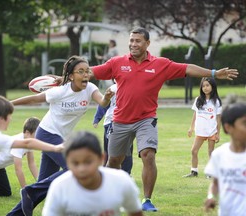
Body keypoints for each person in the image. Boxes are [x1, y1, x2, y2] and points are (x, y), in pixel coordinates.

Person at [90, 26, 239, 211]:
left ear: (147, 43)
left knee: (148, 155)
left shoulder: (160, 64)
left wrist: (214, 73)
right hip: (120, 120)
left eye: (137, 41)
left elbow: (187, 68)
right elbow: (92, 72)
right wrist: (69, 75)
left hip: (146, 119)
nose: (133, 44)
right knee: (113, 161)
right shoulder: (117, 62)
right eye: (131, 40)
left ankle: (146, 200)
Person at [7, 55, 113, 216]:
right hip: (46, 134)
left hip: (61, 138)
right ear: (71, 76)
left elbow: (103, 103)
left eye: (87, 71)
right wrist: (9, 103)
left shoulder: (90, 88)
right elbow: (35, 98)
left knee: (42, 187)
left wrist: (106, 97)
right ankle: (30, 191)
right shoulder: (60, 92)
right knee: (75, 167)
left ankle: (14, 213)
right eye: (80, 71)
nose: (85, 75)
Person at [0, 95, 63, 216]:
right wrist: (55, 147)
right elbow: (28, 142)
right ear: (0, 118)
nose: (11, 119)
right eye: (9, 116)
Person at [42, 131, 143, 216]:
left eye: (88, 162)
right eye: (75, 163)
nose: (81, 169)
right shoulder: (59, 187)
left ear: (101, 158)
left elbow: (135, 212)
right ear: (67, 162)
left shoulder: (121, 181)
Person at [204, 95, 246, 215]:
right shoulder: (219, 155)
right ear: (228, 127)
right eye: (244, 123)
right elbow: (215, 182)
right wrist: (211, 196)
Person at [0, 117, 40, 196]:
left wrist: (40, 182)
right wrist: (25, 190)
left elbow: (31, 163)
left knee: (5, 193)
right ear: (27, 132)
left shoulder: (30, 142)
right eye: (37, 134)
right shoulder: (18, 143)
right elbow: (18, 170)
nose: (39, 137)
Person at [183, 77, 222, 178]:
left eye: (207, 85)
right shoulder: (198, 100)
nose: (205, 88)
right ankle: (194, 171)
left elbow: (218, 118)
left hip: (211, 131)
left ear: (212, 87)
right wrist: (191, 128)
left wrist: (218, 133)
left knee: (211, 152)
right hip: (200, 130)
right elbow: (195, 114)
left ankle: (210, 172)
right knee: (194, 151)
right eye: (203, 86)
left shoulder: (216, 101)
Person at [93, 83, 133, 174]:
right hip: (110, 122)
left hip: (127, 123)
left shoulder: (132, 87)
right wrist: (97, 118)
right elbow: (104, 104)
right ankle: (107, 173)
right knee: (109, 150)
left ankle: (126, 173)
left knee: (127, 150)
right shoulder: (113, 88)